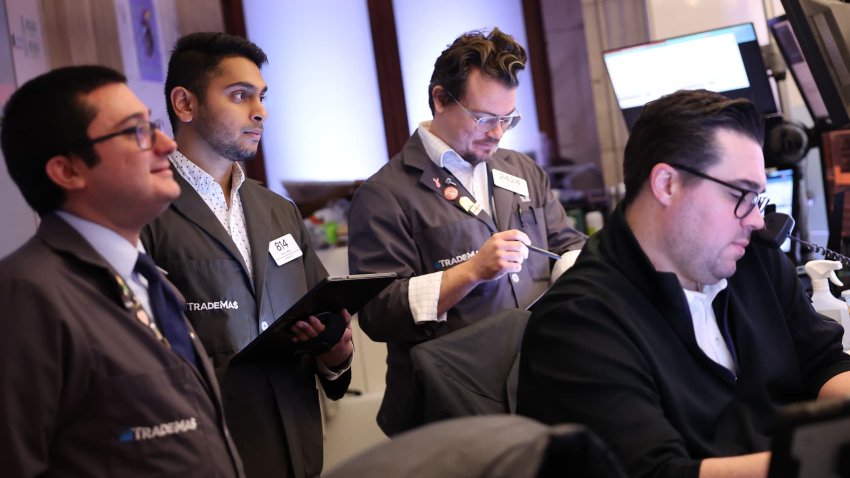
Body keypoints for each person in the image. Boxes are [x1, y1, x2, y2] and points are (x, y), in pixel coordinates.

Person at [517, 89, 850, 478]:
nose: (757, 221)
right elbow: (656, 473)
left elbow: (822, 361)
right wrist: (818, 460)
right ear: (667, 184)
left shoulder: (753, 259)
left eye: (758, 199)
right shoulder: (578, 323)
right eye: (740, 194)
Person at [0, 65, 243, 477]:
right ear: (68, 170)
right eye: (137, 132)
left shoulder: (149, 279)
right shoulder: (26, 295)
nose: (166, 144)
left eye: (154, 125)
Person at [348, 27, 586, 436]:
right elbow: (378, 313)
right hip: (448, 408)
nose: (497, 132)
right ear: (440, 99)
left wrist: (573, 273)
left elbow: (568, 244)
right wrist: (472, 272)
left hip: (535, 385)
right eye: (483, 118)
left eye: (508, 119)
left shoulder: (522, 170)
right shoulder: (385, 194)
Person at [141, 32, 353, 478]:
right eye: (240, 96)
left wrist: (334, 354)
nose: (260, 112)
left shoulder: (278, 210)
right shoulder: (145, 214)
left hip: (299, 447)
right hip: (208, 454)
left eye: (261, 97)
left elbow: (322, 320)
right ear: (185, 105)